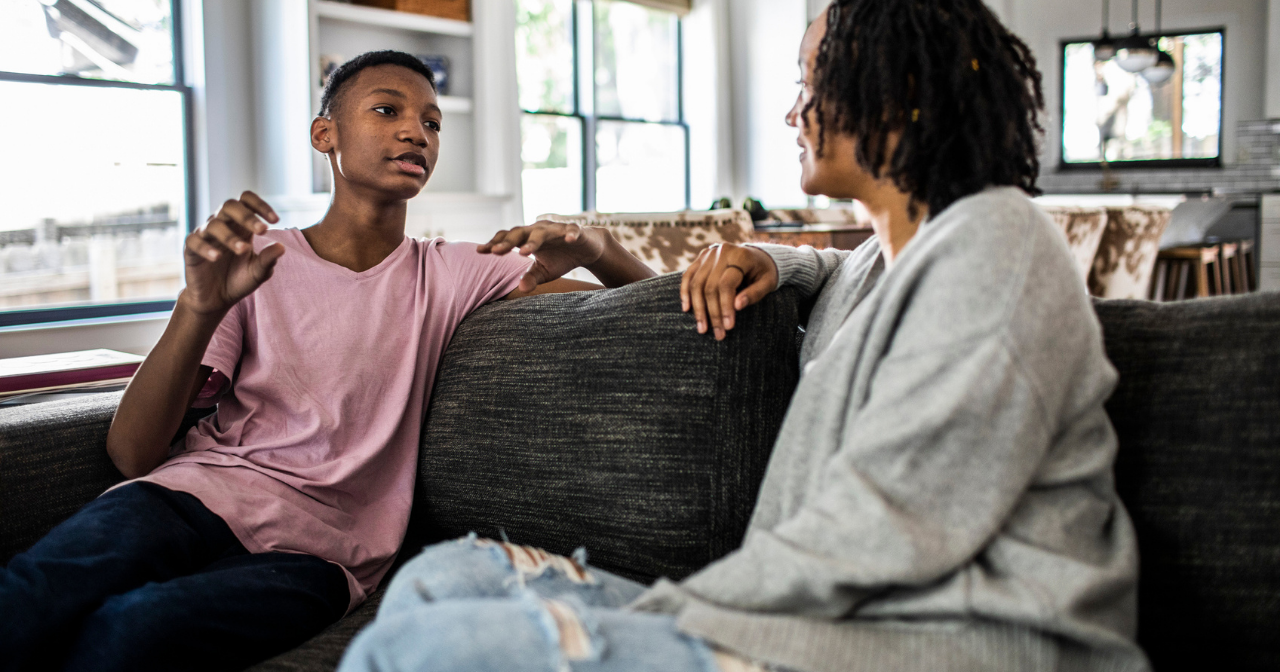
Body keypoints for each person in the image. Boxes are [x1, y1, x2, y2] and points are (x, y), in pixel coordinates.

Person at [337, 2, 1151, 672]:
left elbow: (883, 532)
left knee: (430, 648)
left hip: (946, 643)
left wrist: (666, 611)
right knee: (447, 574)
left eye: (809, 81)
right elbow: (838, 280)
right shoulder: (882, 260)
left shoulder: (997, 246)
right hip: (821, 621)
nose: (793, 109)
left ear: (900, 88)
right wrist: (772, 258)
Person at [0, 50, 654, 672]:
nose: (416, 132)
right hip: (191, 493)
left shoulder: (453, 271)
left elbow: (648, 305)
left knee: (135, 629)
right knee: (31, 593)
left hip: (323, 551)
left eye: (431, 122)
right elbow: (133, 454)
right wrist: (196, 307)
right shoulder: (257, 261)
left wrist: (595, 246)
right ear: (325, 135)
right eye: (387, 111)